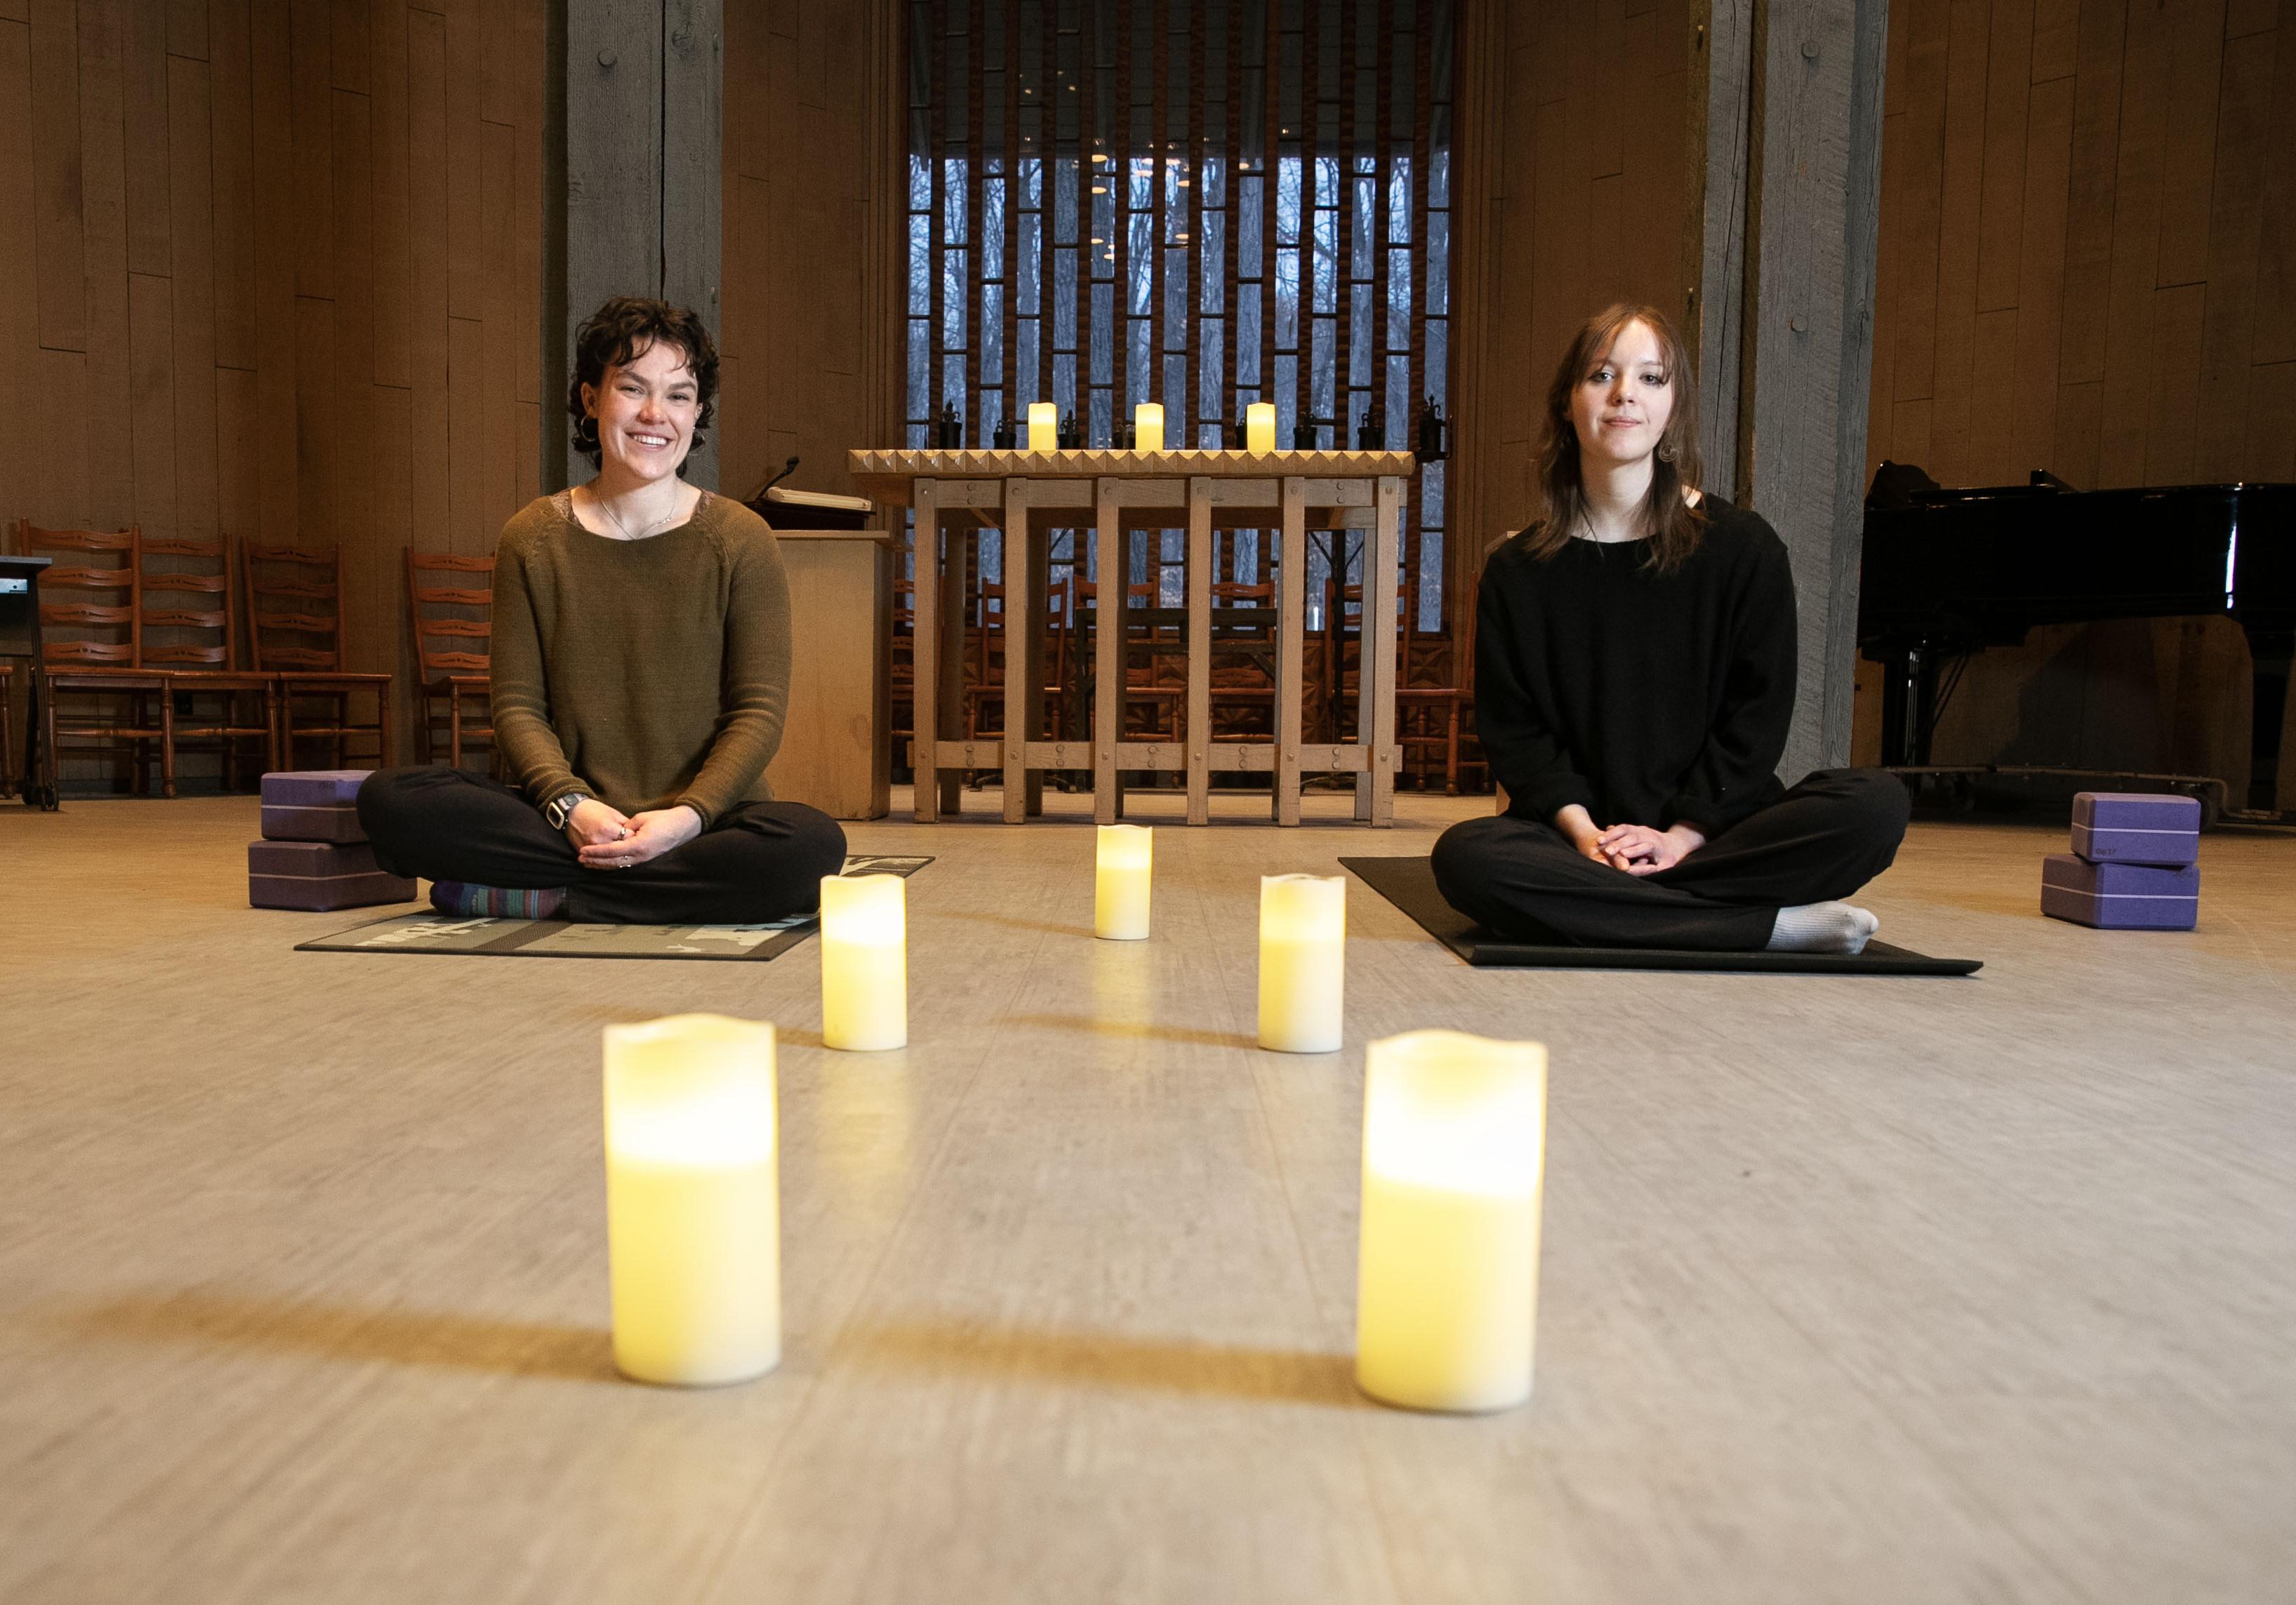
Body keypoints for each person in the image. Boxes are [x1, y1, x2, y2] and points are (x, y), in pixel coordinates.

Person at [1430, 303, 1909, 953]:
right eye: (1601, 374)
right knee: (1466, 856)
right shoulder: (1517, 570)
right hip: (1578, 840)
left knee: (1874, 804)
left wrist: (1680, 837)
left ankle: (1619, 910)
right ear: (1566, 403)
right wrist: (1584, 837)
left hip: (1715, 832)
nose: (1625, 394)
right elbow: (1518, 737)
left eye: (1651, 378)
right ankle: (1765, 927)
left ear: (1673, 405)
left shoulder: (1744, 549)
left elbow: (1755, 720)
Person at [358, 295, 848, 924]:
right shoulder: (532, 536)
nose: (655, 414)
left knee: (809, 848)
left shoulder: (741, 538)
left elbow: (757, 712)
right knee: (392, 800)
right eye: (632, 388)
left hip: (708, 823)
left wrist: (685, 817)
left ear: (697, 411)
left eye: (677, 395)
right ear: (591, 400)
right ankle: (636, 890)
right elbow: (516, 706)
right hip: (569, 818)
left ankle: (558, 894)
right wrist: (569, 805)